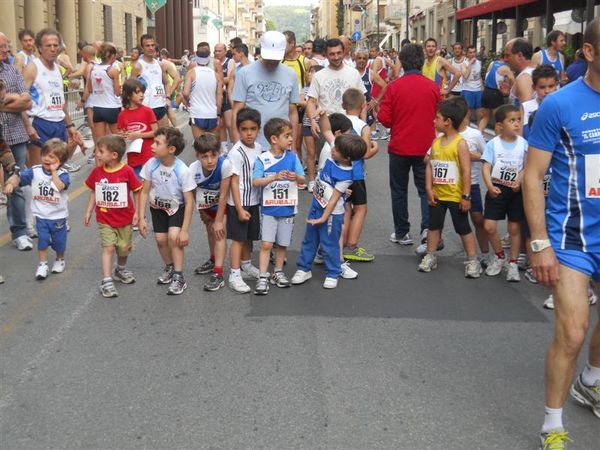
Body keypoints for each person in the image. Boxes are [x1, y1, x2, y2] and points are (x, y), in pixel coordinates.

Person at [523, 17, 600, 450]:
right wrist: (540, 244)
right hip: (573, 238)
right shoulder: (560, 105)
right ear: (588, 53)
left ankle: (590, 380)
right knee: (572, 332)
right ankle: (552, 424)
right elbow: (533, 176)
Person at [378, 43, 441, 246]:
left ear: (402, 62)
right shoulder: (433, 87)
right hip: (426, 147)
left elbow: (385, 119)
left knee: (399, 190)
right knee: (426, 190)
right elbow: (439, 116)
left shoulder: (394, 87)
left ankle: (402, 232)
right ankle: (426, 230)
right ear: (421, 62)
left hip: (399, 146)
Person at [291, 134, 366, 289]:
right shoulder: (337, 154)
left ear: (347, 157)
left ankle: (333, 272)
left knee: (330, 243)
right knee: (309, 239)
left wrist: (323, 218)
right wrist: (322, 114)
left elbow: (334, 199)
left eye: (336, 149)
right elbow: (326, 130)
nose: (333, 150)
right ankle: (304, 269)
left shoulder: (346, 175)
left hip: (331, 213)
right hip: (317, 205)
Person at [418, 99, 480, 277]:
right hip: (438, 195)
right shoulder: (436, 142)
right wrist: (429, 188)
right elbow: (430, 165)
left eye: (437, 118)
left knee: (463, 228)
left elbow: (467, 171)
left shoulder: (460, 143)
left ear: (448, 122)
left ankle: (472, 260)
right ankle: (430, 256)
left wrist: (466, 196)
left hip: (455, 195)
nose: (433, 121)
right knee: (434, 226)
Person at [138, 127, 195, 296]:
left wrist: (185, 230)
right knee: (160, 240)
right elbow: (145, 191)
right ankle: (169, 267)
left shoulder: (182, 170)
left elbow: (190, 201)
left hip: (177, 208)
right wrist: (141, 217)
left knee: (174, 238)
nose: (152, 146)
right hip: (158, 208)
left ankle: (179, 277)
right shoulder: (151, 164)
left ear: (171, 149)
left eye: (157, 143)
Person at [84, 135, 142, 298]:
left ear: (114, 155)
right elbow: (94, 191)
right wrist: (89, 211)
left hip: (125, 218)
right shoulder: (97, 172)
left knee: (123, 248)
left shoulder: (127, 171)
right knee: (108, 247)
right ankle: (106, 281)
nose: (97, 154)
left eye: (101, 151)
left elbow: (137, 191)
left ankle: (121, 269)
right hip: (105, 219)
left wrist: (138, 212)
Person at [3, 138, 70, 279]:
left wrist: (54, 172)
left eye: (52, 157)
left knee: (59, 242)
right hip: (41, 215)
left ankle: (60, 259)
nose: (46, 158)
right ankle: (43, 264)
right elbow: (19, 177)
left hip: (57, 216)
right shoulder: (35, 171)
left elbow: (58, 187)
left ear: (61, 161)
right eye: (44, 154)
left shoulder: (63, 174)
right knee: (43, 240)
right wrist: (11, 183)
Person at [252, 118, 305, 295]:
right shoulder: (263, 159)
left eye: (291, 135)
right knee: (267, 243)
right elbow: (256, 181)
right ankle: (262, 276)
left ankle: (278, 271)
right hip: (268, 209)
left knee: (282, 243)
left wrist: (295, 178)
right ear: (274, 139)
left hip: (288, 207)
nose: (291, 139)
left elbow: (303, 177)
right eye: (287, 136)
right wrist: (273, 177)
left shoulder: (293, 157)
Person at [23, 29, 84, 171]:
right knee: (39, 173)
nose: (53, 49)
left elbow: (61, 101)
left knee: (58, 169)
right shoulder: (32, 68)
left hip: (59, 124)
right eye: (48, 46)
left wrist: (70, 126)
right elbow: (22, 100)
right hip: (40, 123)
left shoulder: (57, 68)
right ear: (39, 48)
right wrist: (28, 126)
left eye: (55, 45)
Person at [480, 104, 527, 282]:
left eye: (518, 120)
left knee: (514, 228)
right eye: (511, 120)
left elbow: (525, 165)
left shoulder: (523, 143)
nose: (516, 124)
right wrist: (490, 186)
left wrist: (519, 181)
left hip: (515, 191)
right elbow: (486, 166)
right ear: (499, 125)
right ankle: (500, 256)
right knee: (489, 226)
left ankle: (513, 262)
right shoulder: (493, 143)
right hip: (497, 189)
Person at [231, 31, 299, 150]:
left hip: (281, 145)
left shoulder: (290, 74)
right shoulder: (244, 73)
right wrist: (238, 146)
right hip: (252, 145)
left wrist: (292, 147)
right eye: (269, 57)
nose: (272, 61)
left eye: (275, 58)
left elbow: (292, 112)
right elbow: (237, 111)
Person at [0, 32, 33, 251]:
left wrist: (3, 102)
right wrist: (12, 99)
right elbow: (19, 99)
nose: (6, 50)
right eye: (2, 46)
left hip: (14, 134)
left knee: (16, 182)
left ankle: (20, 231)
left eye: (7, 46)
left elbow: (27, 100)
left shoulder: (12, 70)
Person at [226, 107, 262, 294]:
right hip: (238, 202)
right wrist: (239, 208)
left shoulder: (259, 148)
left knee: (249, 237)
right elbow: (233, 181)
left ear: (259, 129)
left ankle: (246, 266)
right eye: (244, 129)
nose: (249, 133)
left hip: (253, 200)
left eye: (253, 129)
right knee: (238, 239)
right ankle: (234, 274)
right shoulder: (236, 152)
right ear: (238, 130)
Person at [189, 133, 232, 292]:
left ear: (219, 153)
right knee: (210, 231)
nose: (209, 160)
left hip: (223, 205)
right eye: (204, 156)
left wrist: (219, 220)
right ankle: (213, 259)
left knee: (219, 232)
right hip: (206, 205)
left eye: (213, 155)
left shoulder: (225, 165)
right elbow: (194, 192)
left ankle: (219, 273)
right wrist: (202, 213)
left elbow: (223, 194)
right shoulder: (193, 170)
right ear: (197, 156)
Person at [340, 88, 378, 262]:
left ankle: (339, 245)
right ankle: (352, 246)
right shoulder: (363, 127)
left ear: (343, 105)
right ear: (363, 105)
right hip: (356, 174)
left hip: (340, 171)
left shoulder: (339, 122)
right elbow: (364, 152)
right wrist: (375, 149)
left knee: (345, 208)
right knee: (361, 208)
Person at [305, 38, 366, 136]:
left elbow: (362, 100)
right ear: (326, 55)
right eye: (332, 54)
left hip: (351, 126)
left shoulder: (354, 73)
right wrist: (312, 121)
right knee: (325, 152)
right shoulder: (318, 76)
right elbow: (311, 102)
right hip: (326, 126)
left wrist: (363, 124)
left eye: (339, 53)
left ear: (344, 52)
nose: (336, 57)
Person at [117, 79, 158, 179]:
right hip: (133, 157)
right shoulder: (122, 115)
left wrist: (137, 135)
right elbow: (120, 134)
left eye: (142, 92)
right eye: (137, 92)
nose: (142, 95)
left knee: (150, 189)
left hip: (149, 156)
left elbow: (156, 132)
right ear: (128, 96)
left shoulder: (147, 111)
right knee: (137, 188)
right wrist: (123, 136)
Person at [82, 43, 122, 141]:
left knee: (100, 141)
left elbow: (90, 89)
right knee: (118, 140)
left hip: (98, 108)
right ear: (112, 56)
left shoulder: (93, 69)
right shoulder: (112, 70)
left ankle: (98, 156)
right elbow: (117, 92)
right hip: (111, 107)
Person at [130, 34, 171, 127]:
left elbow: (167, 83)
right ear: (142, 48)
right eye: (147, 46)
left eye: (152, 45)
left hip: (160, 107)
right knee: (149, 139)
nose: (151, 48)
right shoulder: (138, 66)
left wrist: (168, 98)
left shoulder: (160, 64)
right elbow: (130, 88)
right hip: (146, 108)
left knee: (165, 138)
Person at [182, 48, 222, 137]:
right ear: (209, 60)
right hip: (212, 113)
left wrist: (187, 102)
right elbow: (220, 97)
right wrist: (218, 113)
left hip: (197, 113)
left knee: (200, 146)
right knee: (212, 146)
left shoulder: (191, 72)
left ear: (196, 59)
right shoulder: (216, 75)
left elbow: (185, 93)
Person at [300, 64, 324, 192]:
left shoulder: (323, 89)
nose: (309, 74)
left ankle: (322, 179)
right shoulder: (305, 89)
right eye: (309, 72)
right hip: (308, 123)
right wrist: (312, 102)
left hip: (322, 124)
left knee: (322, 153)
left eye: (312, 72)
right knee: (311, 153)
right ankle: (312, 180)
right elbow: (301, 101)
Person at [521, 64, 558, 139]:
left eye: (551, 86)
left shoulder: (561, 107)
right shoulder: (525, 107)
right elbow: (519, 136)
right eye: (542, 87)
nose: (547, 91)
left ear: (556, 85)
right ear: (534, 87)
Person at [479, 52, 514, 131]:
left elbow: (487, 76)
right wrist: (510, 90)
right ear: (506, 57)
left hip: (486, 91)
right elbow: (512, 79)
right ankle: (498, 140)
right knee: (499, 120)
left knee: (485, 117)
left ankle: (477, 137)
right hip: (495, 93)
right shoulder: (505, 67)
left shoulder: (492, 63)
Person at [214, 43, 235, 153]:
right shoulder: (213, 62)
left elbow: (230, 78)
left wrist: (218, 80)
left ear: (225, 51)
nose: (217, 53)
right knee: (220, 124)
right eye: (215, 51)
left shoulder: (230, 62)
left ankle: (233, 146)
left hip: (226, 95)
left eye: (219, 51)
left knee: (229, 123)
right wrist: (221, 80)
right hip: (215, 95)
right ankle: (224, 149)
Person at [505, 38, 536, 106]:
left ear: (519, 55)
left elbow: (526, 112)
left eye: (508, 55)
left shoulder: (524, 78)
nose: (505, 59)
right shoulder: (533, 71)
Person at [461, 45, 484, 125]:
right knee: (468, 115)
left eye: (474, 52)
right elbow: (466, 76)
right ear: (467, 54)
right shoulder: (464, 64)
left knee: (480, 114)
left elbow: (479, 76)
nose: (472, 54)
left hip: (478, 90)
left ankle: (479, 134)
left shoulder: (479, 62)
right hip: (468, 90)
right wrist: (470, 64)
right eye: (470, 52)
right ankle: (467, 133)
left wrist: (482, 88)